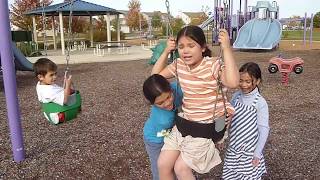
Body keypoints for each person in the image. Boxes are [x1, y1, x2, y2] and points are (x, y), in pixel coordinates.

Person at [152, 25, 239, 179]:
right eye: (181, 46)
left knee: (181, 168)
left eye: (191, 46)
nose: (185, 51)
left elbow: (232, 82)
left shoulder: (212, 64)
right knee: (163, 163)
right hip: (185, 124)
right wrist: (166, 51)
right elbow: (155, 77)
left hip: (207, 127)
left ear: (203, 47)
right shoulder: (179, 65)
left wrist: (226, 49)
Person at [222, 62, 270, 179]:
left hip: (249, 151)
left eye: (248, 81)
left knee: (247, 176)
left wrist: (257, 153)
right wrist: (222, 137)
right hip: (234, 145)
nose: (243, 85)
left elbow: (263, 129)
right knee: (231, 176)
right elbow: (228, 117)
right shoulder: (237, 96)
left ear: (257, 81)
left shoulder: (260, 102)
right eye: (240, 80)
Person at [143, 74, 183, 180]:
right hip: (155, 138)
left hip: (170, 132)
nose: (167, 103)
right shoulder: (164, 120)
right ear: (152, 103)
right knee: (160, 170)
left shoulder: (176, 88)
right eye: (160, 103)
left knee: (175, 165)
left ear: (170, 88)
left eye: (169, 97)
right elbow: (164, 133)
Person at [33, 58, 72, 124]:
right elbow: (65, 100)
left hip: (49, 113)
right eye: (51, 75)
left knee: (70, 92)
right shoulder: (48, 91)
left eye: (55, 74)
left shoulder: (40, 84)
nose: (55, 77)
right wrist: (68, 85)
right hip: (58, 115)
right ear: (40, 77)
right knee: (74, 97)